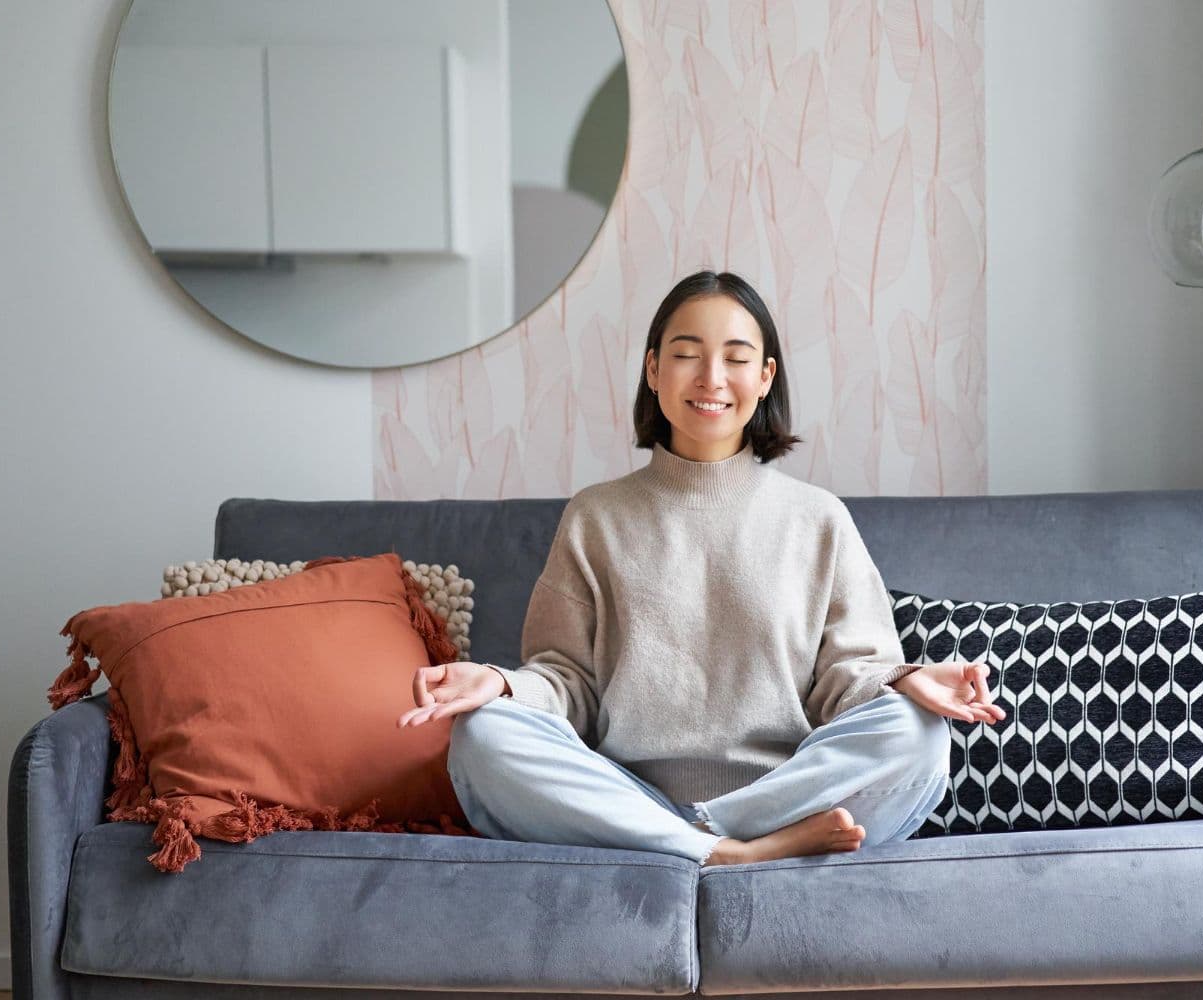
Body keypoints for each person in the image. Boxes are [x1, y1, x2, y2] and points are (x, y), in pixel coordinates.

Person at [397, 270, 1005, 867]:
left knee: (917, 733)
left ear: (765, 378)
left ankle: (693, 840)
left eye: (737, 358)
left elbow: (845, 679)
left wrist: (903, 681)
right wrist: (502, 686)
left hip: (779, 793)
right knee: (483, 737)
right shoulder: (596, 517)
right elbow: (568, 684)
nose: (712, 378)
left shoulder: (818, 518)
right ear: (653, 369)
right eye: (687, 354)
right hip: (624, 791)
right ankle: (727, 852)